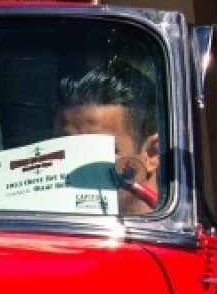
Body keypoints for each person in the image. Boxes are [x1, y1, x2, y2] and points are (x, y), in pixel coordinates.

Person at [58, 58, 167, 215]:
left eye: (98, 148)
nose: (79, 166)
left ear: (152, 154)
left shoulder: (180, 232)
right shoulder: (36, 231)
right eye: (64, 149)